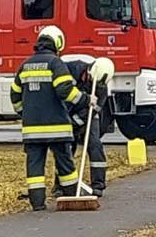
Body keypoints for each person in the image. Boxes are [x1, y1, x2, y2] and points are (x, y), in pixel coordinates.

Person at [9, 23, 88, 211]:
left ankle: (37, 203)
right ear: (58, 43)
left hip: (31, 129)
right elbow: (65, 91)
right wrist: (85, 100)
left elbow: (15, 96)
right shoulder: (55, 63)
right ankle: (71, 196)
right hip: (57, 127)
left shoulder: (25, 66)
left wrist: (25, 113)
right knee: (64, 162)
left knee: (35, 165)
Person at [63, 53, 111, 197]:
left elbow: (96, 109)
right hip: (68, 110)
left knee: (94, 144)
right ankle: (61, 185)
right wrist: (69, 123)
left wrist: (79, 121)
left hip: (88, 113)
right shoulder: (72, 70)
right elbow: (63, 96)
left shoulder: (102, 87)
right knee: (65, 147)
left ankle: (98, 184)